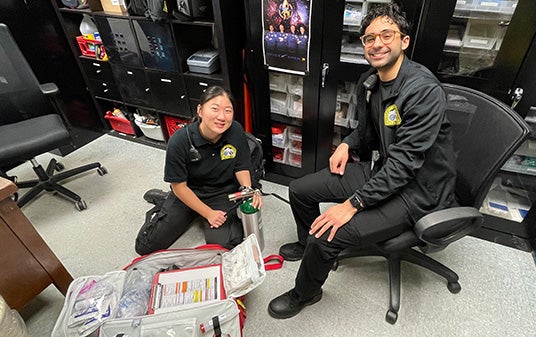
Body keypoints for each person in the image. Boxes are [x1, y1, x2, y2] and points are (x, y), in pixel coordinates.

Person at [268, 3, 457, 319]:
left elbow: (405, 165)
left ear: (404, 41)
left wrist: (352, 204)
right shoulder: (371, 83)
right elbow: (368, 133)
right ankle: (307, 247)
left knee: (326, 235)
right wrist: (346, 143)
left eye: (387, 35)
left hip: (418, 191)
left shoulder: (422, 91)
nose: (377, 44)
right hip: (385, 171)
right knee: (300, 189)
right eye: (369, 38)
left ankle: (305, 293)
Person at [135, 86, 262, 255]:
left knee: (224, 247)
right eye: (215, 109)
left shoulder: (236, 131)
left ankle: (194, 213)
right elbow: (179, 186)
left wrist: (248, 191)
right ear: (200, 110)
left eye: (228, 110)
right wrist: (208, 213)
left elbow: (242, 166)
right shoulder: (179, 141)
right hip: (188, 192)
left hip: (222, 193)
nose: (221, 117)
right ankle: (165, 202)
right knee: (145, 246)